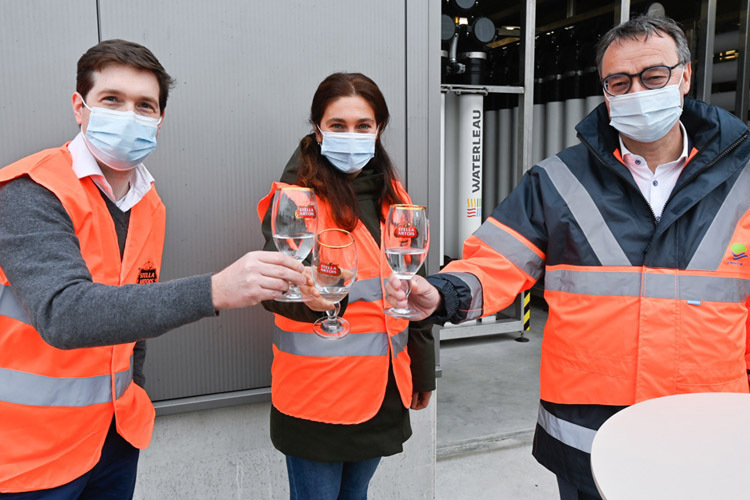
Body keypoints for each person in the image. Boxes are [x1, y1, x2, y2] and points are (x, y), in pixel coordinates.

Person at [387, 15, 750, 500]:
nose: (636, 91)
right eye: (619, 82)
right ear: (605, 92)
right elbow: (495, 262)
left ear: (685, 75)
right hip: (588, 434)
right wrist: (442, 292)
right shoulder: (558, 180)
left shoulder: (743, 179)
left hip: (704, 423)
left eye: (654, 76)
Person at [0, 39, 305, 498]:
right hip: (29, 455)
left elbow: (134, 315)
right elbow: (65, 314)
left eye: (145, 105)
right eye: (112, 100)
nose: (130, 115)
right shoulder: (30, 191)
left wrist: (135, 392)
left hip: (115, 439)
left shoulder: (148, 204)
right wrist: (215, 290)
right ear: (79, 108)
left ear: (160, 121)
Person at [257, 72, 435, 500]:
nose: (350, 136)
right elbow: (274, 288)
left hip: (384, 388)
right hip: (317, 397)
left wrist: (423, 370)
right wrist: (313, 301)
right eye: (337, 126)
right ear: (317, 130)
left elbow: (416, 287)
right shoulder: (297, 199)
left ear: (378, 130)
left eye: (363, 126)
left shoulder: (392, 195)